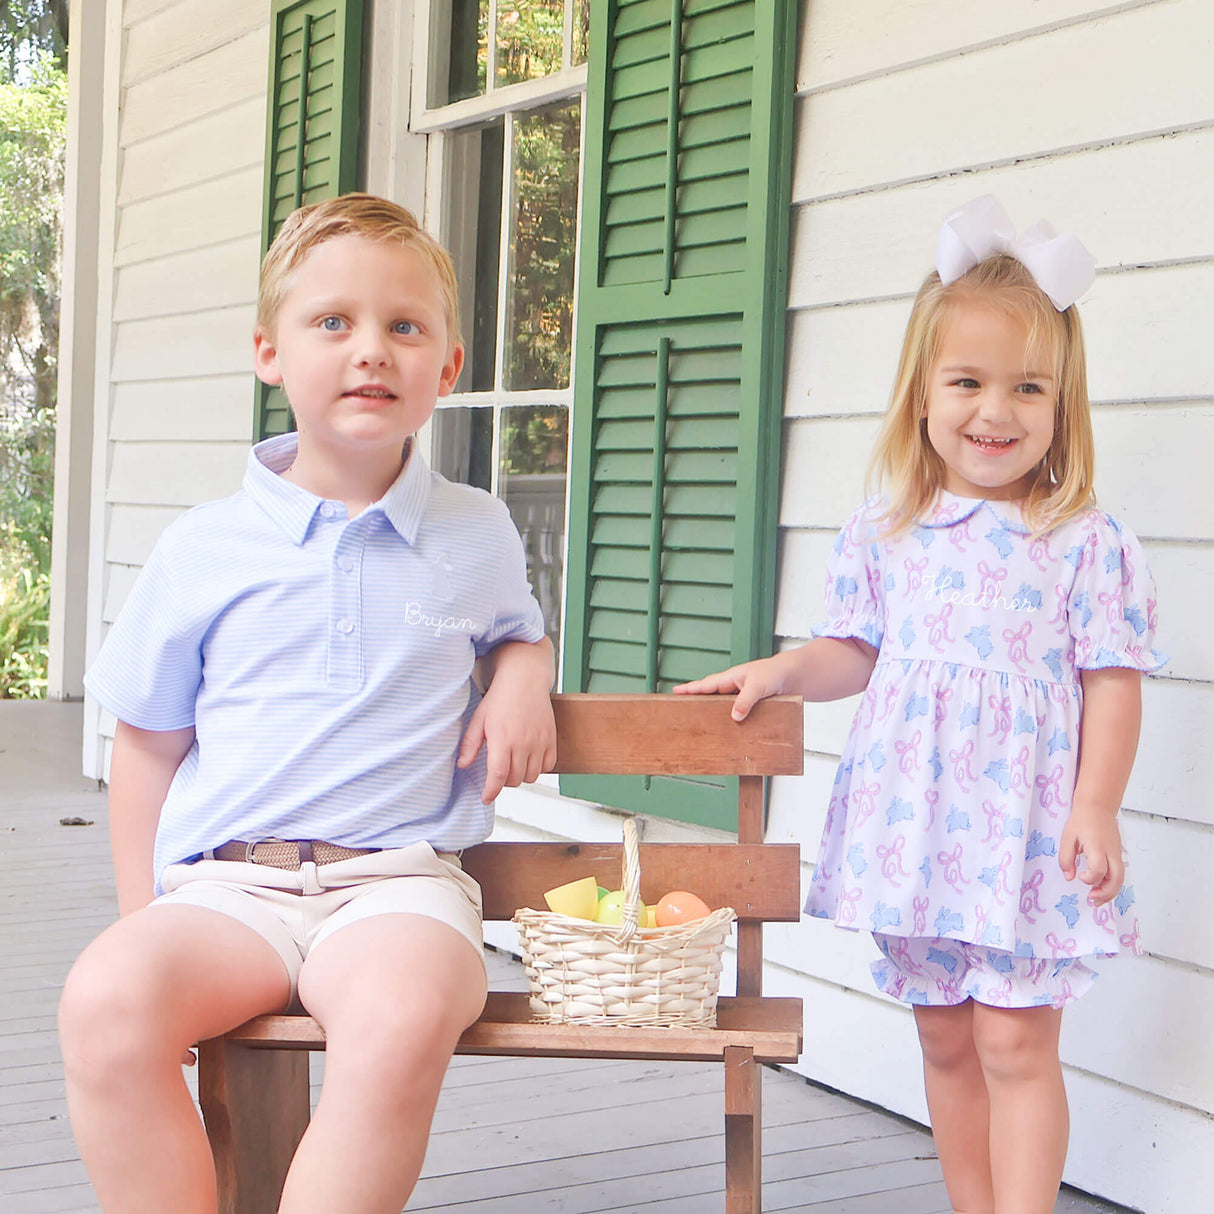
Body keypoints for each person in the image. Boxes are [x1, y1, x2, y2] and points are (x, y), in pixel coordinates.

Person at [58, 193, 557, 1214]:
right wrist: (145, 916)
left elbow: (518, 624)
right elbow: (149, 740)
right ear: (268, 352)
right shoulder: (203, 547)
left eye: (403, 326)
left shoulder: (475, 529)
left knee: (402, 1012)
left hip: (398, 886)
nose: (369, 348)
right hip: (227, 889)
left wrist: (521, 676)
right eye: (332, 321)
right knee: (106, 1000)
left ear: (447, 369)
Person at [675, 196, 1164, 1214]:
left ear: (1061, 401)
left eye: (1027, 387)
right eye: (968, 382)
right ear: (922, 393)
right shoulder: (886, 528)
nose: (996, 410)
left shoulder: (1081, 538)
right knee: (945, 1036)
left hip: (1027, 832)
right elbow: (853, 651)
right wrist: (779, 669)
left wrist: (1094, 805)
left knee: (1013, 1038)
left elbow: (1109, 679)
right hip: (921, 827)